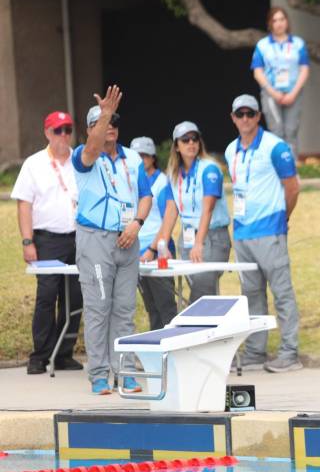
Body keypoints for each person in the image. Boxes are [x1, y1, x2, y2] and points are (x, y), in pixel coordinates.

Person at [72, 86, 151, 395]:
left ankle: (127, 372)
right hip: (96, 241)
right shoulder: (84, 156)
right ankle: (100, 374)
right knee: (98, 308)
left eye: (114, 121)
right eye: (104, 122)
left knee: (124, 310)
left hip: (128, 239)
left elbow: (146, 196)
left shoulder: (132, 158)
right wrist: (103, 113)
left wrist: (137, 223)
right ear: (92, 129)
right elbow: (92, 149)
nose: (111, 127)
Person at [224, 94, 302, 372]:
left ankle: (290, 353)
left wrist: (283, 218)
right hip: (243, 232)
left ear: (258, 116)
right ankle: (256, 351)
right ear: (233, 117)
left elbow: (292, 188)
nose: (245, 118)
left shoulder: (275, 147)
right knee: (251, 294)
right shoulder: (231, 150)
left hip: (270, 229)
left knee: (282, 293)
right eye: (239, 114)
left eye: (250, 113)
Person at [11, 111, 83, 375]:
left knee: (75, 296)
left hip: (79, 238)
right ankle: (40, 355)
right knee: (47, 295)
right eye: (58, 130)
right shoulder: (34, 164)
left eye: (67, 129)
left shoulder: (80, 159)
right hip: (48, 239)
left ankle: (63, 353)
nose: (64, 135)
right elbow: (24, 204)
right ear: (47, 133)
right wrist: (27, 240)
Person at [144, 122, 231, 303]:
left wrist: (199, 243)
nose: (191, 143)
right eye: (185, 140)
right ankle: (211, 328)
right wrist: (160, 246)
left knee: (202, 292)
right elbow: (170, 211)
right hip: (187, 236)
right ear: (176, 146)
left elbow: (208, 209)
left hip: (211, 237)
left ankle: (199, 329)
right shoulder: (173, 174)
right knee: (202, 291)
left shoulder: (209, 169)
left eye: (194, 138)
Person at [130, 137, 178, 330]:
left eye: (145, 156)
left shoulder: (161, 181)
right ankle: (158, 352)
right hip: (137, 251)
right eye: (137, 156)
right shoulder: (131, 181)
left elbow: (168, 217)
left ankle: (173, 351)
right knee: (151, 306)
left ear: (152, 157)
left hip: (157, 251)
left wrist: (153, 248)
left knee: (165, 305)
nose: (141, 160)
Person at [251, 7, 310, 156]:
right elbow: (258, 72)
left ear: (287, 21)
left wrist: (293, 93)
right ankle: (278, 165)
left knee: (291, 130)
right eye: (275, 20)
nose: (279, 23)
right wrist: (274, 93)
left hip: (293, 93)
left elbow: (304, 69)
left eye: (282, 19)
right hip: (271, 94)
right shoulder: (262, 45)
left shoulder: (298, 43)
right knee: (276, 130)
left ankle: (292, 165)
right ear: (269, 23)